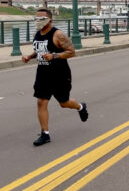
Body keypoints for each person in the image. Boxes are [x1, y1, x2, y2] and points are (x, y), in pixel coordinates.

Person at [21, 8, 88, 146]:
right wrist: (29, 56)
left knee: (64, 103)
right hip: (43, 74)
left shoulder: (58, 35)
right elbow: (39, 50)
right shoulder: (37, 34)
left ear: (50, 21)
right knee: (41, 102)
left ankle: (80, 106)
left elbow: (71, 52)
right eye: (36, 18)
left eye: (41, 19)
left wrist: (54, 55)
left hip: (59, 75)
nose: (37, 21)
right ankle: (45, 134)